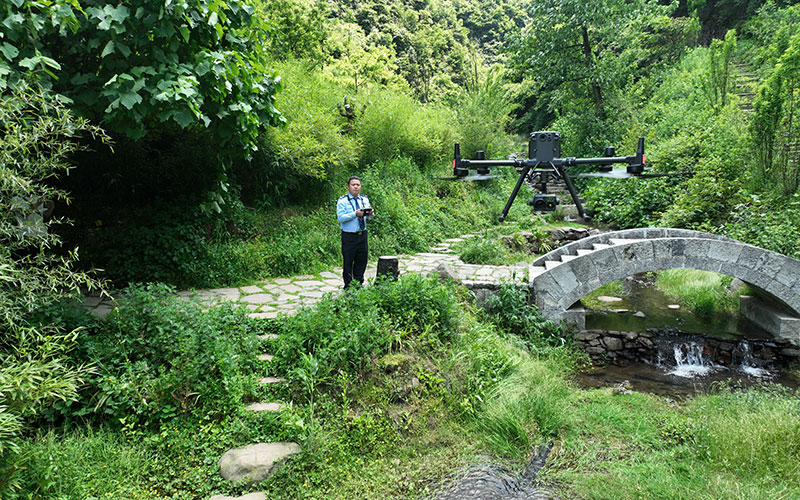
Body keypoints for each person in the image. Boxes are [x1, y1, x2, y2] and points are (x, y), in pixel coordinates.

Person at [336, 176, 374, 288]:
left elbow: (370, 218)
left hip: (362, 234)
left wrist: (371, 213)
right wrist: (354, 214)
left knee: (362, 260)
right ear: (348, 186)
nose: (356, 187)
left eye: (358, 185)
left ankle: (358, 284)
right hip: (349, 236)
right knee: (348, 262)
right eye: (353, 185)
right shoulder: (342, 201)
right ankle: (348, 286)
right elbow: (341, 218)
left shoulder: (364, 199)